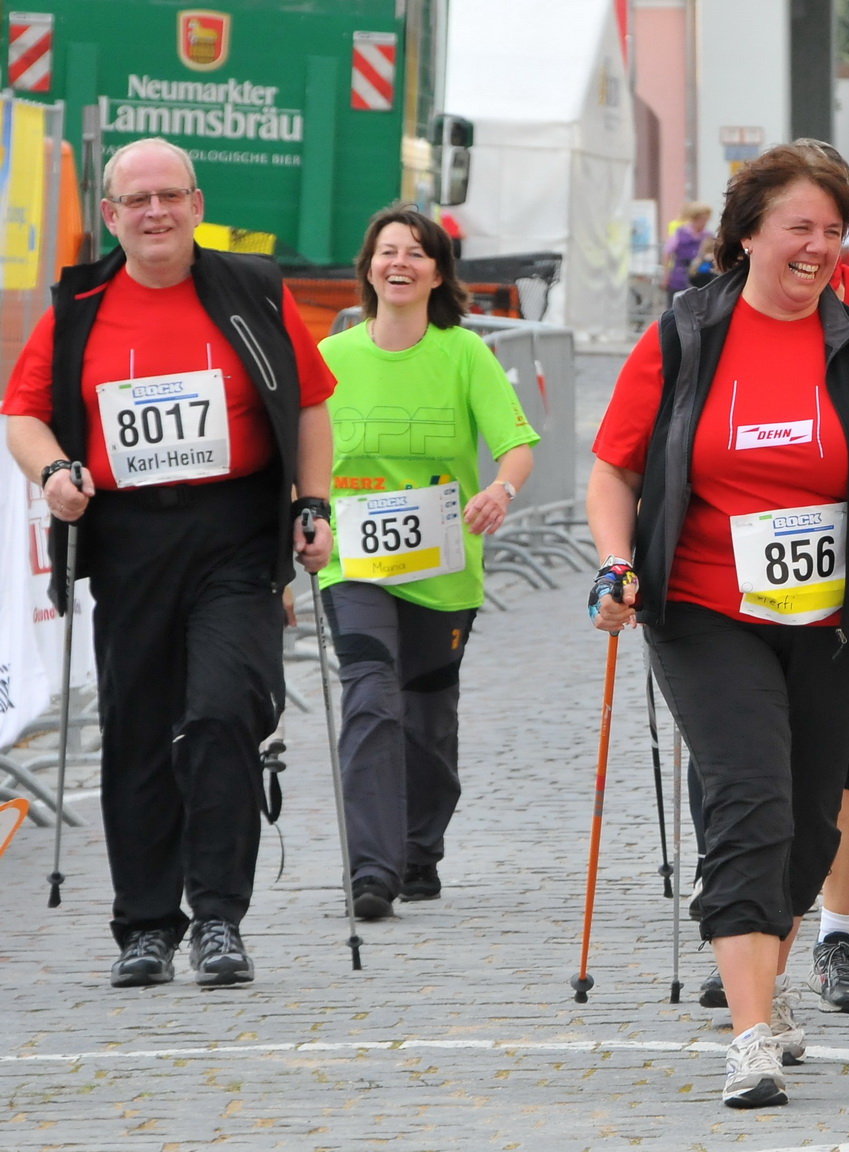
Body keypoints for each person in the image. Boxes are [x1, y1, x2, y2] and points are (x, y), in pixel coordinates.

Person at [587, 143, 849, 1108]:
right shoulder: (684, 335)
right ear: (748, 234)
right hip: (707, 608)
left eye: (834, 231)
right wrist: (617, 563)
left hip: (838, 618)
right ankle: (750, 1034)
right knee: (748, 800)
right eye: (800, 228)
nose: (819, 248)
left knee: (809, 819)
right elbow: (615, 468)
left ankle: (771, 975)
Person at [2, 136, 336, 987]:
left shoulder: (253, 291)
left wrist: (313, 502)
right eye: (137, 200)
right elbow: (23, 415)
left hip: (234, 530)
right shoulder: (78, 307)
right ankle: (146, 925)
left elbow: (310, 404)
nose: (155, 212)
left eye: (170, 196)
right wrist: (54, 474)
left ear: (196, 204)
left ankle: (218, 917)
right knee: (140, 729)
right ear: (110, 215)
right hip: (129, 541)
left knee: (224, 711)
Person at [316, 208, 539, 920]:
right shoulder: (332, 357)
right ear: (368, 268)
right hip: (353, 563)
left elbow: (516, 445)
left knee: (427, 719)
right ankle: (370, 869)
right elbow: (301, 452)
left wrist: (500, 491)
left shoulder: (464, 353)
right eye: (387, 251)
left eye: (416, 253)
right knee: (369, 695)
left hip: (442, 569)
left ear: (438, 273)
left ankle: (418, 850)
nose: (400, 263)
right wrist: (302, 518)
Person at [663, 202, 713, 304]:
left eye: (706, 219)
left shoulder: (708, 236)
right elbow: (667, 253)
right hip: (679, 279)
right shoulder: (680, 233)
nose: (704, 222)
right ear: (694, 218)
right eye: (702, 219)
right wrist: (666, 276)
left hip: (699, 281)